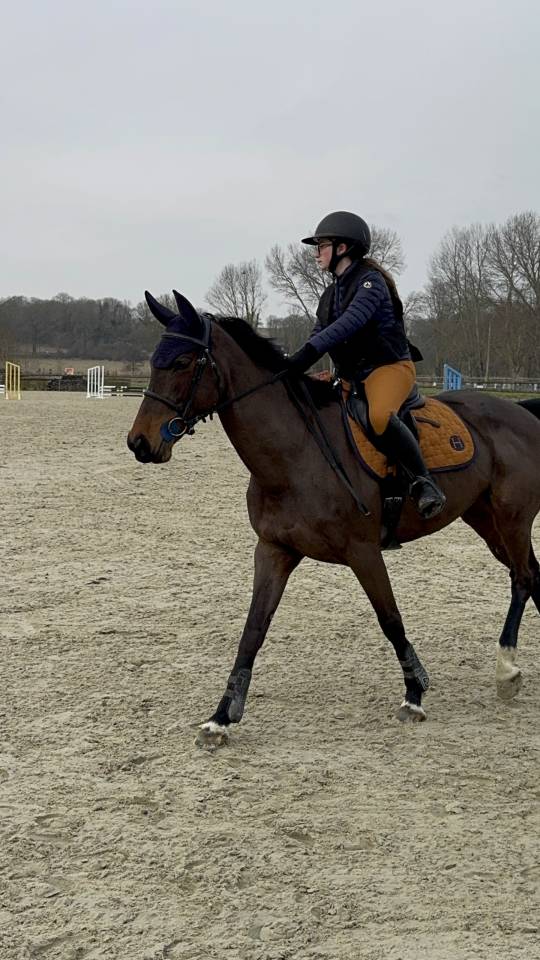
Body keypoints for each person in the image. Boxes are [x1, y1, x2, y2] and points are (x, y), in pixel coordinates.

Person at [287, 211, 446, 519]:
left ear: (342, 248)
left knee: (377, 416)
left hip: (389, 369)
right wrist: (294, 363)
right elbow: (320, 332)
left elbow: (351, 323)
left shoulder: (370, 284)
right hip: (351, 376)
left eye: (321, 245)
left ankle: (426, 483)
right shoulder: (330, 294)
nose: (316, 253)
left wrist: (307, 353)